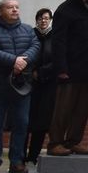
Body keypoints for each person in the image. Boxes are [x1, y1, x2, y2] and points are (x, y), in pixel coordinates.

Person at [0, 0, 39, 173]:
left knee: (21, 123)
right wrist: (14, 61)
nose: (15, 10)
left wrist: (23, 62)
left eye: (17, 7)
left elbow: (35, 47)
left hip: (21, 86)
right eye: (10, 7)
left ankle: (17, 161)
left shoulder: (28, 30)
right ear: (0, 11)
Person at [48, 0, 88, 157]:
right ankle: (56, 142)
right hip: (70, 70)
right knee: (63, 108)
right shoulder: (65, 10)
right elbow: (58, 42)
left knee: (82, 109)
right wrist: (61, 68)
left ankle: (73, 141)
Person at [25, 8, 54, 164]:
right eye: (41, 18)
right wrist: (32, 72)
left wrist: (42, 72)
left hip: (47, 84)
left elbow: (56, 59)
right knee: (25, 121)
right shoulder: (30, 35)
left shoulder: (54, 37)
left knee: (41, 123)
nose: (43, 21)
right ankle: (20, 156)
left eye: (46, 18)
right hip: (29, 84)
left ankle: (33, 155)